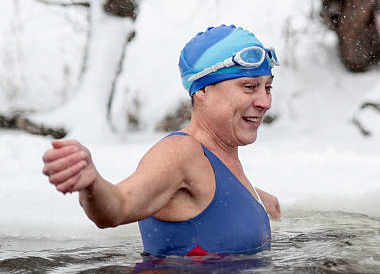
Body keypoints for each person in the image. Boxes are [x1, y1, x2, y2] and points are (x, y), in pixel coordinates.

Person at [41, 24, 282, 257]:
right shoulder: (180, 154)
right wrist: (92, 185)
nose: (265, 102)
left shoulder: (224, 165)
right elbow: (118, 207)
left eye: (267, 88)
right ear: (203, 90)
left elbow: (218, 199)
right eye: (249, 87)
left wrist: (261, 204)